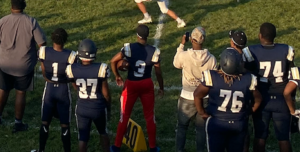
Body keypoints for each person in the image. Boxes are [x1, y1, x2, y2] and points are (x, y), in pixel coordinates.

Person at [0, 0, 46, 132]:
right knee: (21, 93)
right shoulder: (31, 22)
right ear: (24, 5)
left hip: (5, 64)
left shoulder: (3, 21)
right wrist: (41, 57)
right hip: (24, 65)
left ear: (11, 6)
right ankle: (18, 122)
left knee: (3, 90)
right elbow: (42, 44)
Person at [193, 48, 263, 152]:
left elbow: (197, 94)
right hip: (238, 123)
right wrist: (249, 112)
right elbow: (258, 99)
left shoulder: (212, 77)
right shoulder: (248, 79)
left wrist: (202, 112)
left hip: (217, 123)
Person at [110, 24, 165, 152]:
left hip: (132, 84)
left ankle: (116, 146)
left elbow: (113, 61)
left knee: (125, 115)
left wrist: (117, 75)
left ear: (137, 35)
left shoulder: (129, 48)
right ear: (148, 35)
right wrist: (161, 87)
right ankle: (152, 147)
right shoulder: (154, 51)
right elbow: (158, 72)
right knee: (150, 116)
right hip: (146, 83)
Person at [245, 22, 292, 152]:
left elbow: (247, 74)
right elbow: (291, 73)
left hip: (261, 98)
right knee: (283, 138)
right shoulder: (286, 50)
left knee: (260, 136)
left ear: (260, 36)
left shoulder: (251, 51)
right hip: (281, 98)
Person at [173, 27, 216, 152]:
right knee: (201, 129)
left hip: (187, 96)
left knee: (182, 126)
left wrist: (181, 44)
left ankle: (179, 150)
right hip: (204, 97)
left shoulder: (185, 55)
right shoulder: (211, 58)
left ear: (191, 39)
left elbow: (175, 63)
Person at [67, 39, 111, 152]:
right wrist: (108, 106)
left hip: (82, 107)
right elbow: (106, 92)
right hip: (98, 107)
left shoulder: (72, 69)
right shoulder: (101, 68)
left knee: (83, 138)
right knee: (103, 132)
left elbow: (75, 85)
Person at [35, 28, 75, 152]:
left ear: (52, 39)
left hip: (50, 89)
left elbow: (43, 72)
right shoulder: (71, 55)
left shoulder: (43, 51)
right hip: (63, 89)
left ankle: (41, 150)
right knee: (65, 124)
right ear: (65, 40)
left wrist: (50, 79)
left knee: (45, 122)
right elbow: (72, 75)